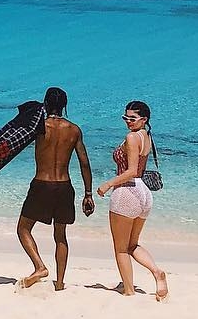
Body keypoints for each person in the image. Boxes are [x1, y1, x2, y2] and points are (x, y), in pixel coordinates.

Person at [16, 87, 94, 291]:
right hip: (64, 187)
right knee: (60, 235)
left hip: (41, 184)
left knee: (23, 228)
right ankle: (59, 284)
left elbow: (15, 139)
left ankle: (39, 266)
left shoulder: (39, 126)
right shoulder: (74, 130)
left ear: (45, 103)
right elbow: (84, 163)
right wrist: (88, 193)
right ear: (64, 106)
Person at [96, 100, 169, 301]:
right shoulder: (146, 136)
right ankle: (157, 272)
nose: (128, 121)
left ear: (143, 119)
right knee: (132, 245)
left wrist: (108, 184)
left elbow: (131, 171)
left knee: (121, 249)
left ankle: (129, 290)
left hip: (127, 192)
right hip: (144, 193)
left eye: (132, 118)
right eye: (125, 118)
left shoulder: (132, 137)